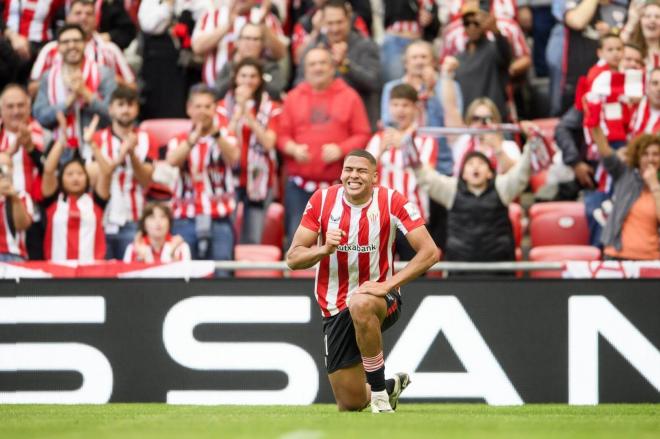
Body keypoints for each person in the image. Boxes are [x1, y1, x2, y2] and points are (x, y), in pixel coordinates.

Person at [286, 149, 439, 413]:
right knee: (350, 403)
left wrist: (388, 285)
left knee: (361, 303)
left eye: (361, 171)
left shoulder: (393, 201)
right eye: (348, 170)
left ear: (374, 177)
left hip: (380, 298)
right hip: (334, 305)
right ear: (341, 173)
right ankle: (388, 387)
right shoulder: (322, 201)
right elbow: (293, 258)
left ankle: (379, 395)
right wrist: (322, 250)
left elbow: (430, 252)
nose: (353, 176)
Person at [409, 122, 538, 269]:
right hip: (459, 266)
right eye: (470, 164)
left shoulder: (502, 187)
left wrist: (531, 141)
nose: (476, 167)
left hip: (499, 266)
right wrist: (409, 144)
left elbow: (523, 171)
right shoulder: (451, 190)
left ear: (490, 173)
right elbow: (422, 174)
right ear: (463, 174)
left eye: (481, 164)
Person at [277, 47, 371, 246]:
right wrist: (293, 148)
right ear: (304, 69)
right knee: (299, 245)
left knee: (343, 243)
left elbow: (363, 134)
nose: (318, 68)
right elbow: (281, 136)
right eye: (312, 64)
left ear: (332, 68)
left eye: (323, 63)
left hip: (339, 188)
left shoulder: (349, 96)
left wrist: (341, 149)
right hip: (299, 187)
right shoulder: (294, 97)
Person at [166, 84, 239, 264]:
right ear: (189, 109)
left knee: (222, 272)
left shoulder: (226, 136)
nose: (203, 111)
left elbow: (234, 159)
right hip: (185, 218)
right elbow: (172, 161)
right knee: (185, 273)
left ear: (215, 109)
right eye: (198, 106)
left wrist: (217, 135)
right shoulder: (179, 139)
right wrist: (193, 139)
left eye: (208, 106)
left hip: (220, 218)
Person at [367, 83, 437, 261]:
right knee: (378, 274)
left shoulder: (426, 140)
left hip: (413, 217)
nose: (400, 110)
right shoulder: (378, 139)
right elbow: (363, 174)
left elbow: (426, 175)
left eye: (405, 105)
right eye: (396, 105)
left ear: (416, 108)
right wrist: (380, 151)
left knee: (413, 274)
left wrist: (405, 146)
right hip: (380, 219)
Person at [217, 58, 280, 245]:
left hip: (259, 179)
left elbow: (269, 143)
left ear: (260, 80)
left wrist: (249, 116)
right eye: (243, 75)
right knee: (226, 236)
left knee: (253, 237)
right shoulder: (222, 106)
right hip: (228, 177)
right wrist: (237, 115)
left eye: (253, 76)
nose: (248, 80)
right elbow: (219, 139)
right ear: (235, 78)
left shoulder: (271, 108)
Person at [91, 85, 156, 260]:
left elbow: (145, 181)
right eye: (120, 104)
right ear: (111, 108)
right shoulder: (96, 139)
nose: (125, 110)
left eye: (130, 105)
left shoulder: (146, 138)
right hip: (101, 220)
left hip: (133, 219)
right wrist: (117, 159)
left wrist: (131, 154)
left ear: (137, 109)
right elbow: (89, 179)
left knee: (132, 279)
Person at [295, 0, 381, 129]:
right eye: (330, 23)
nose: (335, 29)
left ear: (349, 20)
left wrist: (345, 65)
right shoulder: (313, 48)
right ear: (323, 22)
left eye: (339, 22)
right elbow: (298, 83)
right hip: (321, 123)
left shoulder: (366, 45)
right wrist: (318, 75)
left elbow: (373, 82)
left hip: (358, 122)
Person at [33, 24, 116, 152]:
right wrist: (68, 102)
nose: (71, 46)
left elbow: (115, 116)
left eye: (76, 41)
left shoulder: (104, 74)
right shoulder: (48, 77)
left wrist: (85, 93)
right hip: (60, 150)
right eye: (65, 42)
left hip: (98, 149)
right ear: (58, 47)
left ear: (84, 44)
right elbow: (40, 117)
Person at [41, 115, 113, 261]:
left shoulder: (96, 202)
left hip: (91, 272)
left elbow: (106, 172)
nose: (75, 178)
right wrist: (62, 141)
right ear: (61, 179)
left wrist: (92, 144)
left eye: (80, 173)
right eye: (69, 174)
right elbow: (48, 169)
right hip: (57, 270)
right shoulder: (54, 202)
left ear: (87, 178)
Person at [30, 0, 135, 95]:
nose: (83, 17)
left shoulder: (110, 50)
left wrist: (115, 81)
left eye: (89, 14)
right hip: (58, 111)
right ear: (68, 17)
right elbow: (32, 89)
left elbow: (133, 89)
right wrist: (57, 80)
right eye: (78, 13)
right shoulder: (50, 50)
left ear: (96, 20)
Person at [591, 127, 660, 260]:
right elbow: (605, 150)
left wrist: (654, 186)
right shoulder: (625, 175)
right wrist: (593, 121)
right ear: (637, 157)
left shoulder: (657, 186)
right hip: (616, 256)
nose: (650, 159)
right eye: (645, 154)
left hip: (650, 260)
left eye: (656, 154)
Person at [192, 0, 288, 87]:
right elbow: (197, 48)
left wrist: (263, 28)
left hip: (257, 93)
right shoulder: (212, 16)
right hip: (214, 91)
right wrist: (227, 27)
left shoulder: (267, 17)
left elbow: (281, 53)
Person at [0, 84, 45, 259]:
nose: (16, 111)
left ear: (29, 107)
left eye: (20, 105)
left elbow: (52, 173)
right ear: (1, 110)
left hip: (33, 213)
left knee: (33, 279)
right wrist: (11, 151)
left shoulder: (44, 134)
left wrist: (31, 148)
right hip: (3, 214)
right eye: (10, 107)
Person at [453, 6, 513, 120]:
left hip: (493, 120)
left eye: (476, 23)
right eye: (467, 23)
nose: (471, 26)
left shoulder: (493, 49)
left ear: (484, 25)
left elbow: (506, 56)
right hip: (468, 120)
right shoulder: (458, 58)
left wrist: (496, 32)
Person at [214, 23, 285, 100]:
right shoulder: (229, 66)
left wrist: (258, 77)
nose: (251, 43)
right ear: (237, 42)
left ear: (262, 44)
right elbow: (217, 93)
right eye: (247, 38)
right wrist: (236, 74)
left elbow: (277, 92)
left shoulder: (271, 67)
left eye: (255, 39)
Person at [379, 0, 440, 84]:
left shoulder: (429, 3)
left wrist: (429, 18)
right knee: (395, 82)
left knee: (424, 79)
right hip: (395, 40)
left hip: (418, 41)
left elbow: (434, 27)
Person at [123, 202, 191, 262]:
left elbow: (186, 275)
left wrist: (171, 255)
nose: (158, 221)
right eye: (152, 217)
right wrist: (141, 258)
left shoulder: (181, 247)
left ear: (169, 223)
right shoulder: (132, 248)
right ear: (144, 224)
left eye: (163, 217)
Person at [0, 151, 34, 261]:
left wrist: (14, 197)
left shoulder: (22, 196)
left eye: (5, 166)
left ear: (12, 170)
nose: (2, 171)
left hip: (14, 255)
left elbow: (22, 225)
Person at [624, 0, 660, 70]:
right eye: (647, 16)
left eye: (657, 17)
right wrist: (631, 23)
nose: (652, 20)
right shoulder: (630, 51)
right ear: (639, 21)